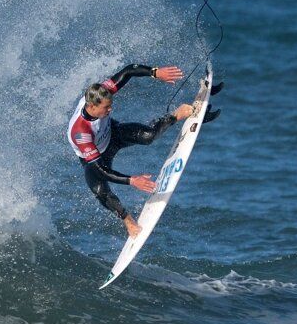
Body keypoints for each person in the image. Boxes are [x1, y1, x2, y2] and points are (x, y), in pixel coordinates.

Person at [67, 63, 220, 237]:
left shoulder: (101, 91)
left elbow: (129, 70)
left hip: (113, 133)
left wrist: (155, 73)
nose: (111, 109)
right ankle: (128, 221)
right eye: (106, 108)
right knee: (102, 192)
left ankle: (177, 114)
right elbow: (100, 169)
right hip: (96, 158)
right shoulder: (81, 132)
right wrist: (132, 180)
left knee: (148, 135)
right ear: (92, 107)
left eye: (110, 105)